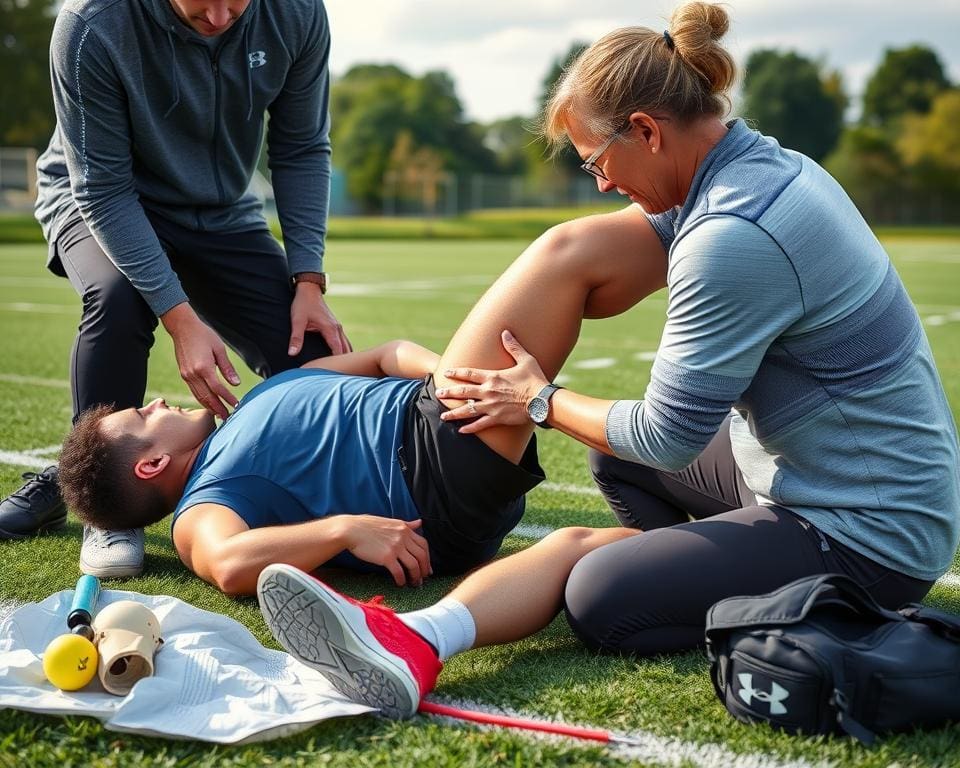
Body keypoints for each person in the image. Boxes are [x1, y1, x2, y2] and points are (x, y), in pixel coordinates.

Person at [256, 0, 960, 718]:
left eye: (596, 160)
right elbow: (598, 291)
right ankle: (686, 565)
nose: (599, 183)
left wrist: (536, 399)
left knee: (600, 593)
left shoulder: (734, 234)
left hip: (867, 532)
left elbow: (668, 437)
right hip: (822, 478)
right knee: (613, 458)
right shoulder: (753, 166)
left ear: (648, 131)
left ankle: (414, 639)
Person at [0, 0, 349, 577]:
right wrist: (180, 317)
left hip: (221, 212)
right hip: (102, 201)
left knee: (309, 354)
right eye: (199, 2)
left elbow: (302, 145)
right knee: (117, 299)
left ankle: (288, 495)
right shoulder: (92, 23)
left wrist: (307, 279)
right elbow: (104, 188)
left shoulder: (298, 12)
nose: (217, 18)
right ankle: (104, 510)